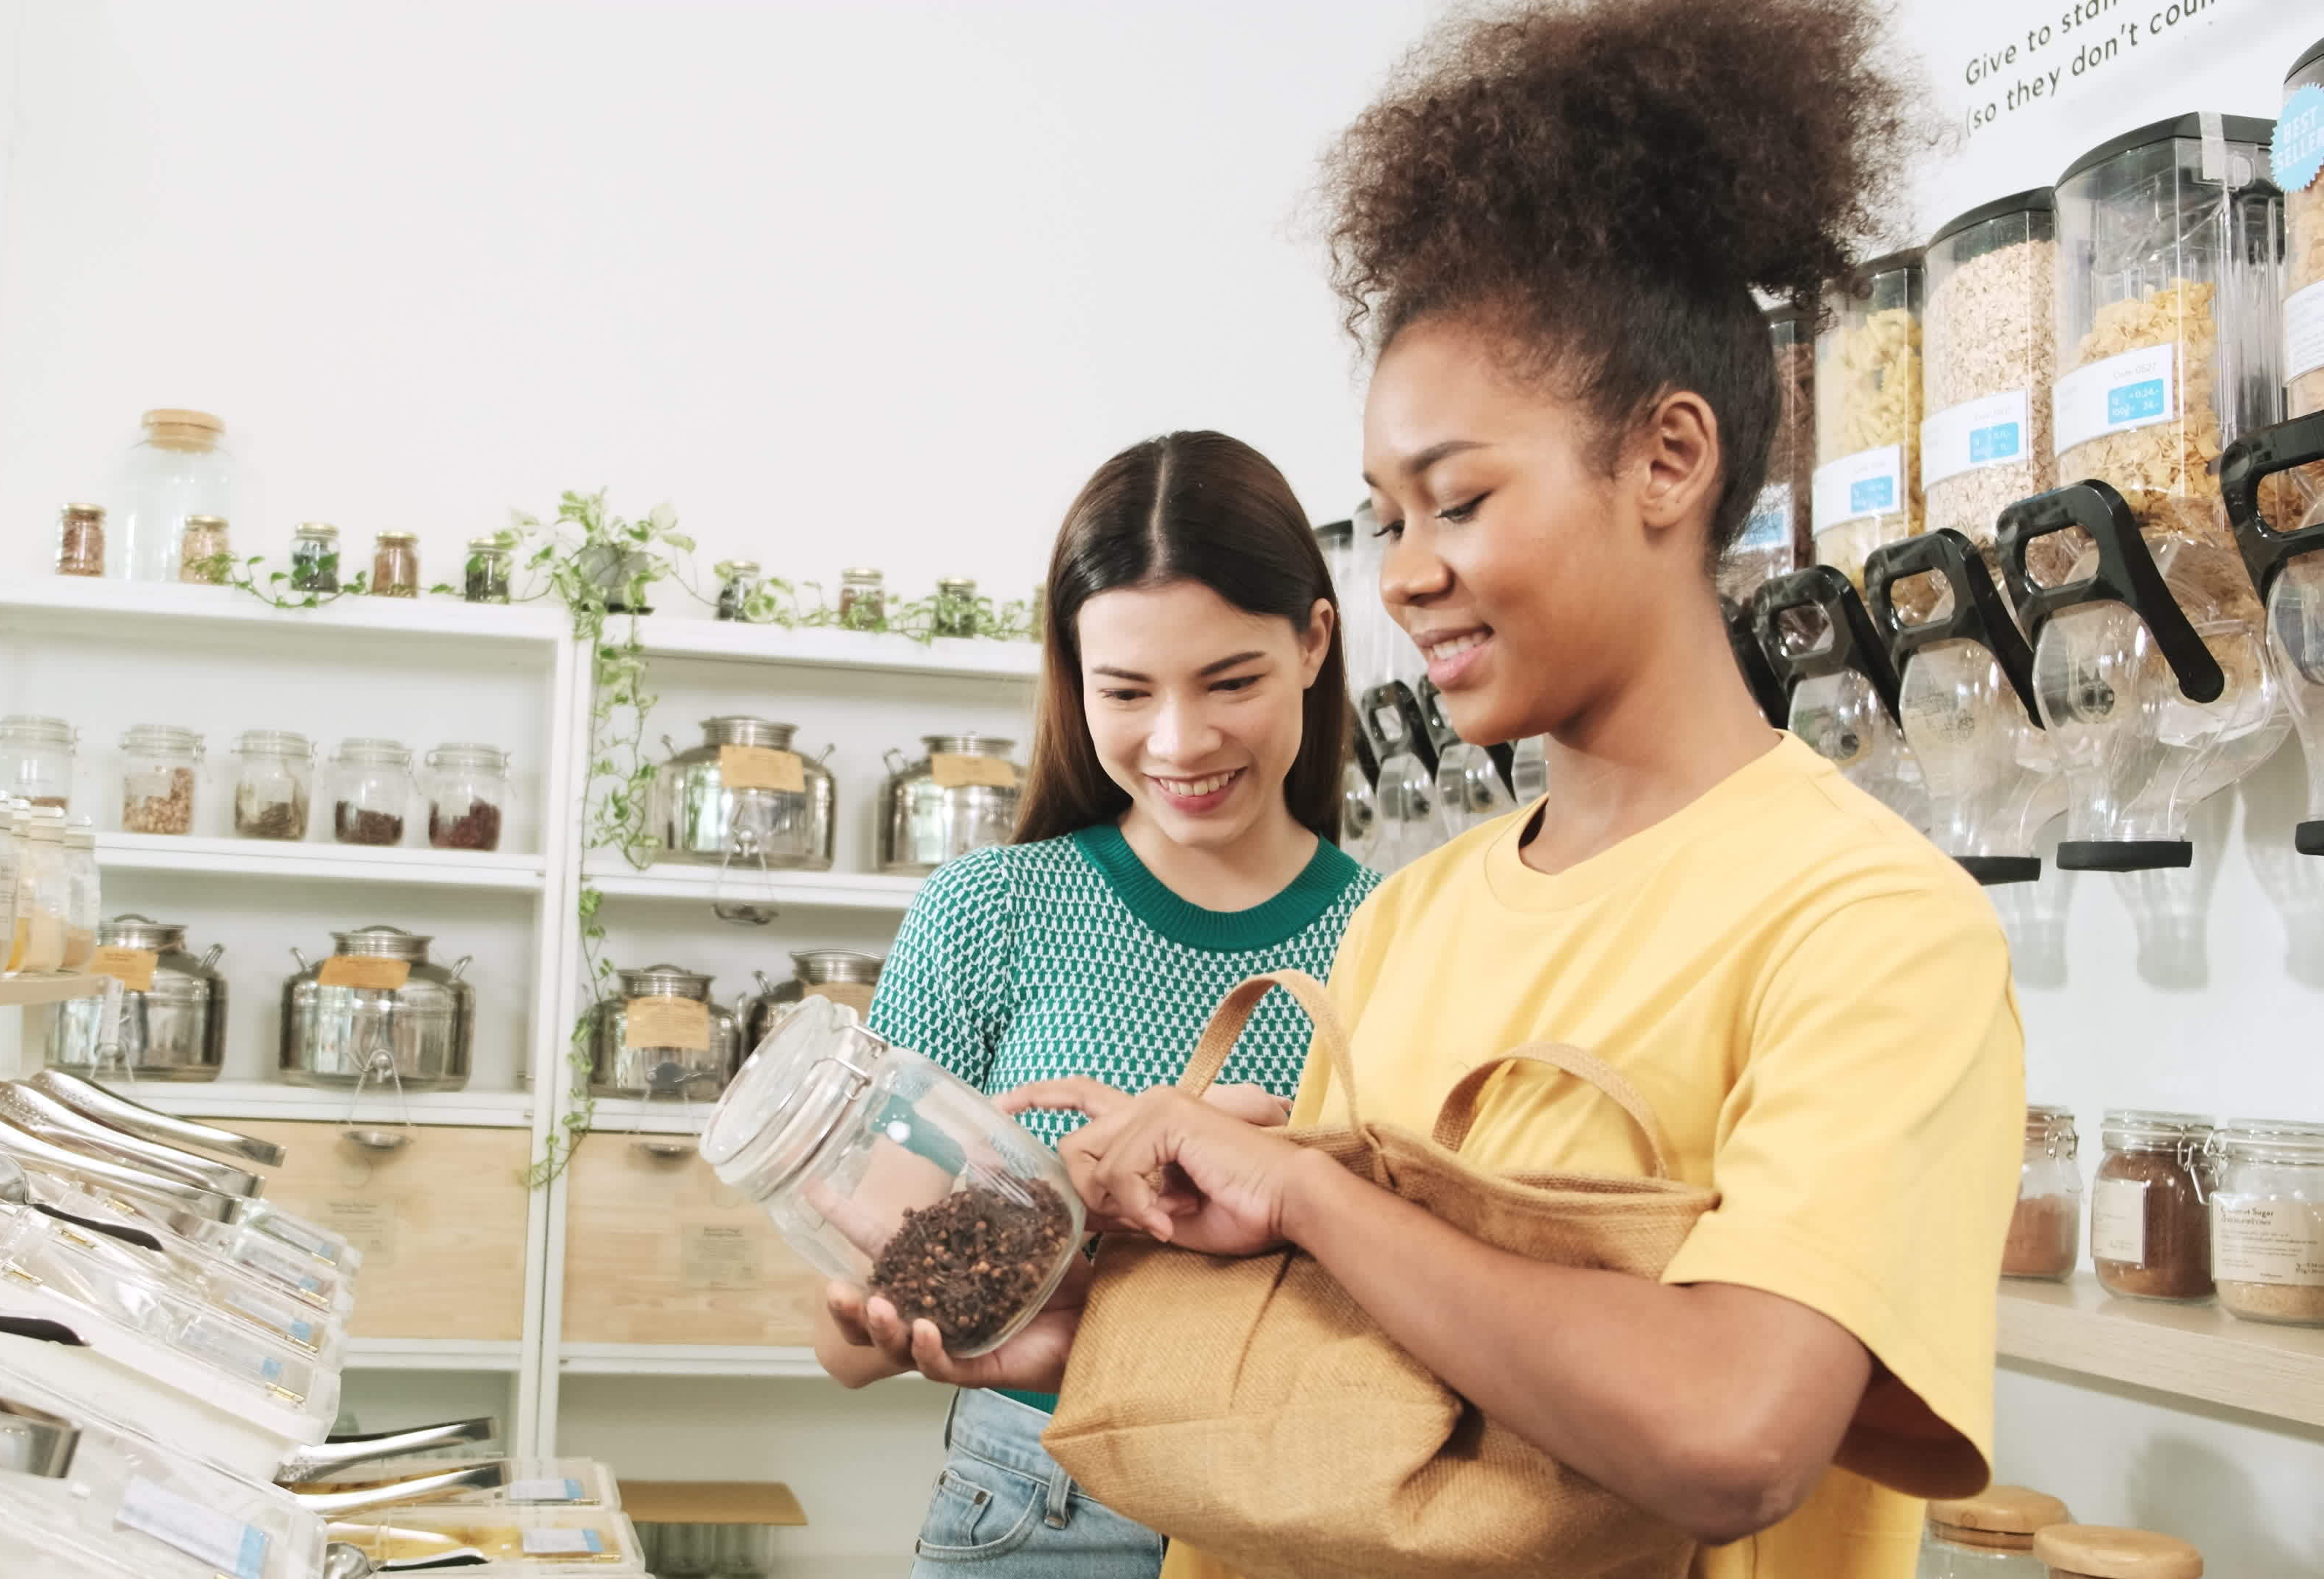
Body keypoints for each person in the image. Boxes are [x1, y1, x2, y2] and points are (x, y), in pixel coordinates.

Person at [855, 3, 2024, 1578]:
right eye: (1385, 515)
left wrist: (1309, 1197)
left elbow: (1731, 1436)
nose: (1408, 576)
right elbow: (1352, 1389)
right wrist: (1068, 1321)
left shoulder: (1873, 928)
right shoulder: (1414, 920)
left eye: (1458, 499)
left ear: (1668, 461)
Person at [820, 430, 1382, 1579]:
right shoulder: (989, 912)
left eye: (1231, 682)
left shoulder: (1400, 935)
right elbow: (848, 1344)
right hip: (1041, 1507)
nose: (1180, 742)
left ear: (1315, 641)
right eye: (1126, 691)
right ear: (1074, 678)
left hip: (1311, 1504)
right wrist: (997, 1247)